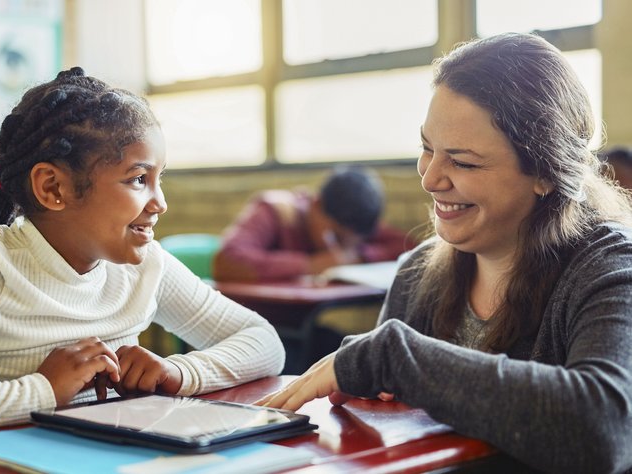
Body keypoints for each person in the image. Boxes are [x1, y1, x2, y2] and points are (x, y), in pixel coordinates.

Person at [257, 33, 632, 474]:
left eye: (464, 162)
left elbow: (606, 430)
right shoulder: (417, 273)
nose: (431, 178)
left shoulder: (610, 267)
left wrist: (396, 358)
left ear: (545, 175)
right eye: (427, 149)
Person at [0, 67, 285, 435]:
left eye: (160, 179)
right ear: (53, 187)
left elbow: (264, 341)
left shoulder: (144, 267)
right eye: (138, 179)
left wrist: (178, 372)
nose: (160, 203)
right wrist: (39, 392)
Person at [213, 165, 416, 282]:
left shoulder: (355, 219)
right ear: (316, 205)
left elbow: (411, 247)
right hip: (261, 326)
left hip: (303, 324)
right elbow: (227, 261)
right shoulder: (275, 210)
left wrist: (359, 255)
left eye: (351, 244)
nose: (339, 250)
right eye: (335, 237)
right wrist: (311, 265)